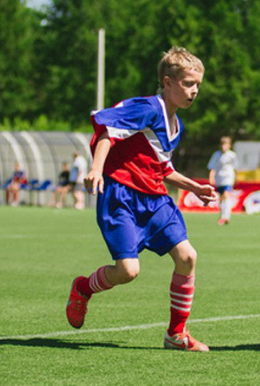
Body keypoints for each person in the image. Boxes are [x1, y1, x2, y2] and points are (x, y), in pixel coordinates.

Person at [66, 47, 217, 352]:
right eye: (188, 84)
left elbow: (161, 168)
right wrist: (96, 168)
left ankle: (176, 335)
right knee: (127, 272)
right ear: (167, 82)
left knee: (188, 257)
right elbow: (106, 129)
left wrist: (194, 186)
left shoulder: (177, 125)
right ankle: (83, 287)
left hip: (156, 200)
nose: (194, 91)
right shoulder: (147, 108)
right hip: (120, 197)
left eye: (198, 85)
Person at [207, 136, 237, 225]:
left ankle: (226, 217)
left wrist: (236, 178)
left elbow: (236, 168)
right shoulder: (216, 155)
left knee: (226, 195)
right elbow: (212, 167)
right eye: (223, 144)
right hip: (219, 178)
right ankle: (222, 215)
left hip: (228, 178)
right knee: (220, 198)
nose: (224, 146)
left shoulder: (232, 155)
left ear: (229, 145)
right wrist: (211, 177)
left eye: (226, 144)